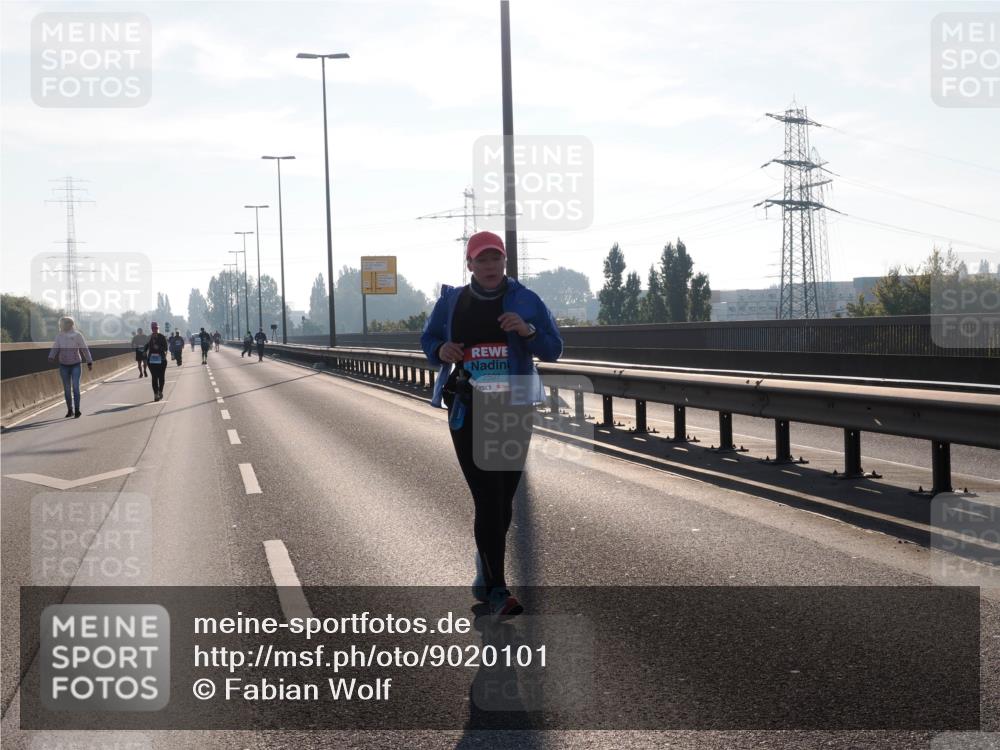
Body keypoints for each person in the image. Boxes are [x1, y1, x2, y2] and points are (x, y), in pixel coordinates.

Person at [421, 230, 563, 617]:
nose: (489, 266)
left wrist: (527, 330)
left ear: (504, 262)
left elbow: (553, 349)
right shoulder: (453, 302)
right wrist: (440, 349)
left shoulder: (525, 300)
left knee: (503, 499)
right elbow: (428, 340)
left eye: (495, 259)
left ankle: (485, 573)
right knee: (487, 495)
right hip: (468, 408)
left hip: (514, 408)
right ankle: (500, 590)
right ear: (469, 264)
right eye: (481, 260)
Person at [47, 316, 93, 418]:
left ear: (70, 324)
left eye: (63, 324)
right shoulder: (59, 336)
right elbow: (55, 347)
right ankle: (70, 410)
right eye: (61, 324)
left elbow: (84, 348)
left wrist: (89, 361)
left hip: (76, 364)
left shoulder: (77, 335)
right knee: (67, 389)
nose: (61, 326)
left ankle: (77, 410)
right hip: (63, 365)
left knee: (75, 387)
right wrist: (51, 356)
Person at [143, 322, 170, 402]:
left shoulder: (162, 337)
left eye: (156, 328)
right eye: (153, 328)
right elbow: (145, 347)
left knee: (161, 377)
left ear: (158, 328)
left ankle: (160, 391)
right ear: (151, 329)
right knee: (154, 377)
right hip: (152, 361)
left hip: (161, 360)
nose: (154, 329)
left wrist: (158, 347)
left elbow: (165, 348)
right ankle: (156, 394)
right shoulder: (149, 338)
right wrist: (144, 352)